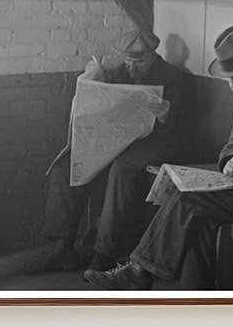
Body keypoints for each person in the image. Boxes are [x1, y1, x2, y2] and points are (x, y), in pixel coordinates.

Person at [84, 23, 233, 291]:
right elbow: (231, 147)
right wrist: (229, 161)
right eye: (229, 79)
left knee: (190, 199)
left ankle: (140, 271)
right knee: (194, 208)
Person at [41, 27, 184, 272]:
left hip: (157, 142)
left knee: (122, 168)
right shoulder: (120, 72)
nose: (131, 67)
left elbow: (183, 127)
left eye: (138, 62)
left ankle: (104, 252)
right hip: (119, 139)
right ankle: (63, 246)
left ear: (152, 56)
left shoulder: (173, 77)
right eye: (127, 60)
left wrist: (166, 115)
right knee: (67, 165)